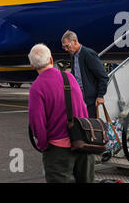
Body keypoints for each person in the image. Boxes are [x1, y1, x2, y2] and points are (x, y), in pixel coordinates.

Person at [28, 44, 95, 183]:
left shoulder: (37, 87)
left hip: (58, 149)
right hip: (83, 143)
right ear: (51, 60)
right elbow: (81, 106)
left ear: (32, 66)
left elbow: (37, 123)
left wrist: (43, 145)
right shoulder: (69, 77)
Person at [61, 31, 109, 118]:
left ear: (75, 41)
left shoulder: (88, 54)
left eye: (67, 46)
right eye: (64, 47)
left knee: (91, 126)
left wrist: (100, 95)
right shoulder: (73, 56)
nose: (66, 49)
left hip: (90, 100)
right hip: (79, 96)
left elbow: (103, 76)